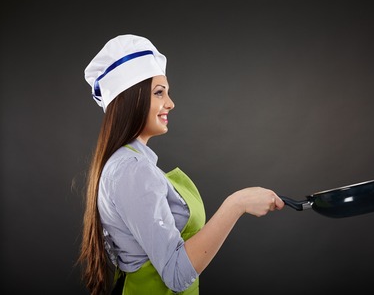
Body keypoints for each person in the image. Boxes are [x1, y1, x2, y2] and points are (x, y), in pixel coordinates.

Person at [78, 34, 285, 295]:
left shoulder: (128, 164)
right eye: (159, 93)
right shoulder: (132, 169)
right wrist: (237, 204)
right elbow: (176, 274)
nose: (170, 103)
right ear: (132, 99)